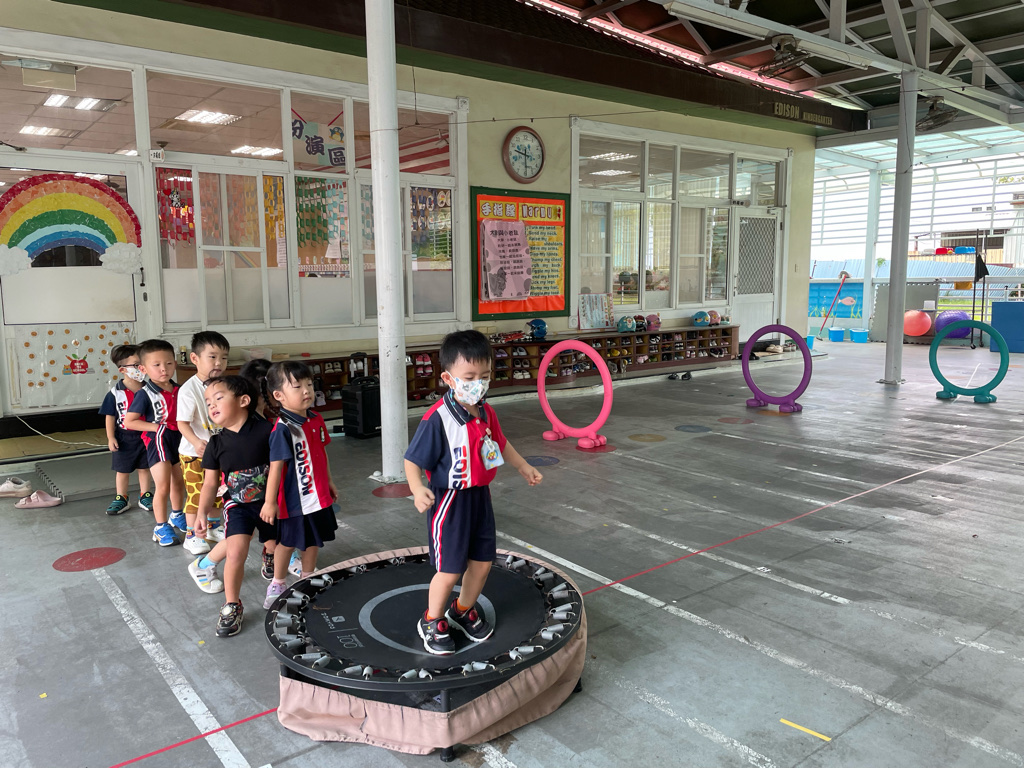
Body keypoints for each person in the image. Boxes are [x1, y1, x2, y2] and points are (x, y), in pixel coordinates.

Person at [404, 330, 542, 655]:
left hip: (480, 498)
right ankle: (431, 619)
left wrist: (523, 466)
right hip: (450, 502)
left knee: (481, 562)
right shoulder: (437, 419)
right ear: (448, 378)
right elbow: (412, 460)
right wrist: (417, 488)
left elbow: (500, 444)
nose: (478, 383)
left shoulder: (486, 411)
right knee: (450, 568)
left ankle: (462, 609)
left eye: (485, 376)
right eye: (469, 377)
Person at [191, 376, 276, 636]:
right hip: (237, 506)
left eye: (218, 398)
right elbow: (209, 484)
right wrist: (202, 512)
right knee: (236, 552)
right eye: (208, 402)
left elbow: (279, 467)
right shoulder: (216, 443)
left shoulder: (268, 431)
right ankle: (231, 605)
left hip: (271, 504)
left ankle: (269, 553)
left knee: (275, 544)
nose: (212, 405)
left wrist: (272, 501)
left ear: (243, 401)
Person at [260, 361, 338, 609]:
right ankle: (278, 582)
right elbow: (276, 468)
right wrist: (270, 502)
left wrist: (329, 482)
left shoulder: (316, 419)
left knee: (314, 539)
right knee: (287, 542)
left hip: (318, 495)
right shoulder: (283, 429)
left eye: (310, 384)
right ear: (279, 396)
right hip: (294, 500)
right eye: (297, 386)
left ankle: (308, 577)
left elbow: (322, 454)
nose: (307, 391)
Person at [125, 339, 185, 547]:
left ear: (175, 364)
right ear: (143, 369)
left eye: (168, 363)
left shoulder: (180, 389)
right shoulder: (145, 394)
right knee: (163, 485)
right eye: (156, 365)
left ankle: (177, 515)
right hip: (158, 440)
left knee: (179, 481)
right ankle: (160, 526)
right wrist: (157, 428)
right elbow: (129, 421)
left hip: (179, 438)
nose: (163, 369)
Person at [176, 331, 230, 555]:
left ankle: (212, 527)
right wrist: (196, 442)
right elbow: (182, 423)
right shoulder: (189, 389)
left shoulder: (224, 386)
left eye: (224, 358)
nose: (219, 363)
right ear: (195, 358)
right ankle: (192, 535)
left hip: (218, 451)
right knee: (197, 495)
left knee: (218, 492)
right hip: (194, 453)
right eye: (212, 357)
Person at [98, 344, 153, 515]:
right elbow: (110, 416)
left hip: (146, 435)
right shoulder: (115, 393)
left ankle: (145, 495)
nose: (141, 368)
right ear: (122, 369)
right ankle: (121, 497)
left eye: (142, 363)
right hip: (124, 437)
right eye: (136, 365)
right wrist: (111, 437)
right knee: (122, 470)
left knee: (145, 467)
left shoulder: (150, 389)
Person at [238, 357, 278, 579]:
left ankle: (274, 552)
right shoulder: (254, 424)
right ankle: (205, 564)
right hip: (252, 489)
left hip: (265, 485)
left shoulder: (265, 418)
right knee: (248, 535)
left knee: (271, 526)